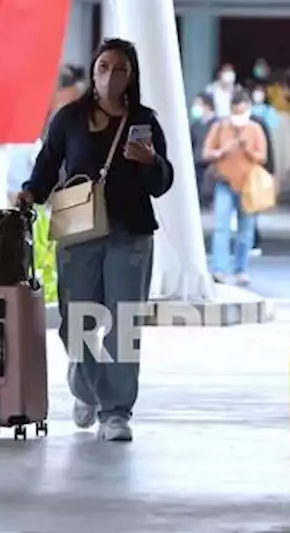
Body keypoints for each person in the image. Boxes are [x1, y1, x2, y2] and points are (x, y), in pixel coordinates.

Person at [18, 38, 174, 442]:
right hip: (78, 230)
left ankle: (116, 411)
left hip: (131, 233)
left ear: (131, 75)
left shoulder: (145, 121)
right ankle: (86, 388)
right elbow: (48, 162)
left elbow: (163, 182)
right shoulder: (69, 117)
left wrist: (150, 162)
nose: (109, 75)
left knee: (123, 324)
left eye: (119, 68)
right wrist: (30, 193)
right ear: (93, 71)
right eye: (103, 66)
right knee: (79, 322)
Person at [203, 89, 268, 285]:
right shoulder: (220, 127)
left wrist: (248, 150)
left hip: (248, 185)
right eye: (236, 111)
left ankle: (241, 269)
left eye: (243, 111)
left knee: (245, 230)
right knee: (222, 227)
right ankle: (219, 269)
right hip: (224, 182)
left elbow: (262, 157)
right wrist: (222, 151)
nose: (239, 116)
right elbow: (206, 153)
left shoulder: (255, 129)